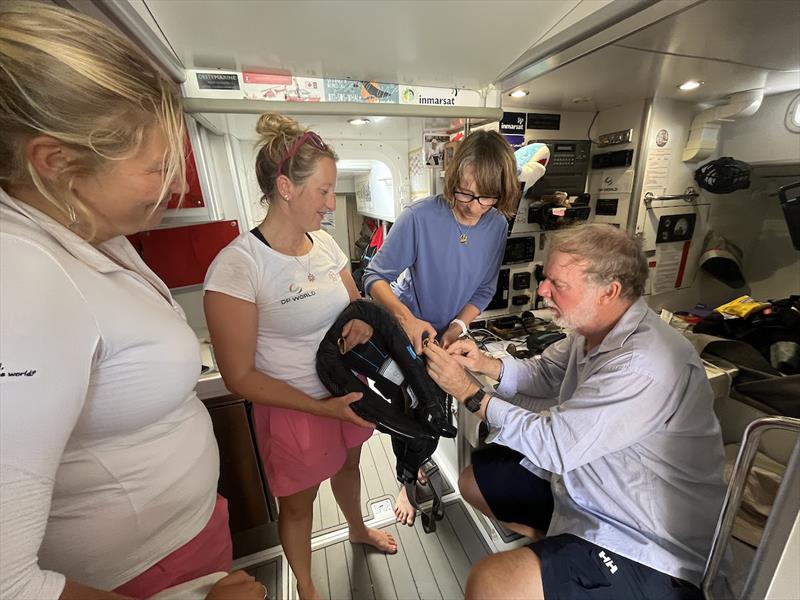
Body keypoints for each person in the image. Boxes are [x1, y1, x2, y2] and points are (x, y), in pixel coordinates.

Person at [0, 3, 264, 600]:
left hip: (182, 544)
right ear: (55, 162)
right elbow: (9, 583)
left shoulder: (98, 232)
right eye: (155, 168)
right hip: (134, 580)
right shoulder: (20, 277)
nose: (175, 187)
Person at [423, 223, 727, 599]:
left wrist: (470, 393)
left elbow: (556, 444)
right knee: (476, 480)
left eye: (557, 285)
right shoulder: (591, 331)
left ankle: (573, 562)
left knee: (490, 583)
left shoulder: (643, 364)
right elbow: (547, 373)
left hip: (646, 536)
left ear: (609, 291)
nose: (542, 291)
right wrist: (485, 364)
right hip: (591, 485)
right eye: (544, 278)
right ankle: (556, 545)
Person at [203, 113, 397, 600]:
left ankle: (356, 527)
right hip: (294, 407)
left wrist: (365, 321)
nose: (332, 205)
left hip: (346, 391)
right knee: (298, 505)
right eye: (323, 192)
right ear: (285, 187)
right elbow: (240, 377)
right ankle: (306, 587)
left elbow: (355, 305)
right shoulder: (239, 266)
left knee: (350, 468)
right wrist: (319, 407)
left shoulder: (326, 245)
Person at [363, 128, 520, 525]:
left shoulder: (497, 225)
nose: (473, 206)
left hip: (446, 337)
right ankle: (404, 479)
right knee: (407, 410)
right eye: (465, 193)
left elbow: (484, 288)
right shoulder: (420, 217)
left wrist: (457, 326)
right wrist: (408, 319)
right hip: (405, 330)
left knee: (435, 412)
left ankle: (415, 465)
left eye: (486, 197)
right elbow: (374, 276)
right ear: (453, 181)